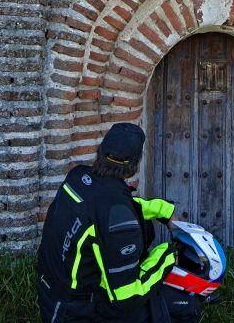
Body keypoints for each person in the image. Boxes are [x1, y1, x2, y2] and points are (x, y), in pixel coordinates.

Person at [37, 122, 200, 322]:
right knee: (185, 307)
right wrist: (167, 254)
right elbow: (126, 296)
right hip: (79, 313)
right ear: (135, 165)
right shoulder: (117, 218)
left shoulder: (77, 177)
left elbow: (104, 207)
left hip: (51, 297)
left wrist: (161, 209)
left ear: (101, 151)